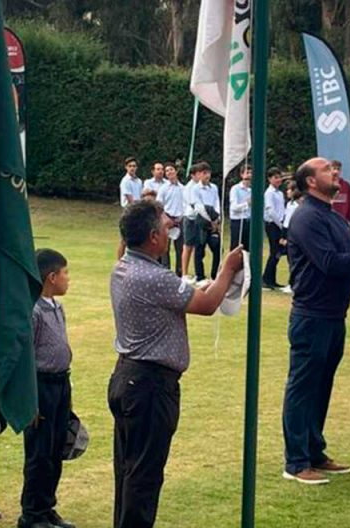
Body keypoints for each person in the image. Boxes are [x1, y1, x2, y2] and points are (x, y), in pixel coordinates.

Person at [108, 200, 243, 528]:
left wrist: (212, 283)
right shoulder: (153, 276)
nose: (171, 231)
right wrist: (227, 268)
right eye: (166, 226)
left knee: (129, 470)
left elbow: (188, 295)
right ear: (153, 237)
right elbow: (208, 304)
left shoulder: (125, 266)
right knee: (144, 476)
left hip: (128, 377)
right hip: (151, 386)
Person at [282, 157, 350, 485]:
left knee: (321, 387)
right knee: (303, 388)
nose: (335, 171)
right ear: (311, 182)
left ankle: (314, 450)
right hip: (312, 315)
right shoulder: (306, 218)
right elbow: (331, 263)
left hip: (334, 316)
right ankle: (296, 461)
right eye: (326, 170)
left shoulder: (335, 218)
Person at [19, 249, 75, 528]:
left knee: (56, 449)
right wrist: (30, 398)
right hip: (41, 385)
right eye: (65, 274)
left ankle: (47, 506)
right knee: (40, 453)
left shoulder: (56, 306)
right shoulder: (34, 310)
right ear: (51, 277)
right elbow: (26, 354)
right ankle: (32, 513)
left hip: (60, 382)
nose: (68, 280)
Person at [193, 163, 222, 282]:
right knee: (200, 249)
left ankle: (215, 275)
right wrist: (210, 220)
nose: (207, 175)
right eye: (204, 173)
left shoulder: (214, 187)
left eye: (208, 173)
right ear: (199, 174)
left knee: (217, 248)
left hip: (214, 219)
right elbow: (198, 206)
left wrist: (217, 218)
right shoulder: (195, 188)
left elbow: (217, 202)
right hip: (202, 220)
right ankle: (200, 276)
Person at [158, 163, 185, 275]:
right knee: (165, 248)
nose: (169, 172)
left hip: (180, 220)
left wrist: (180, 218)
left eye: (171, 170)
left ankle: (179, 271)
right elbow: (159, 205)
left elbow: (186, 204)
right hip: (166, 220)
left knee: (180, 249)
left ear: (176, 171)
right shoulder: (163, 188)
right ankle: (165, 271)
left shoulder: (183, 188)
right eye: (167, 171)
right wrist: (166, 218)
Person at [262, 167, 287, 289]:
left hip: (280, 223)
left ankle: (271, 279)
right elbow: (270, 211)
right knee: (275, 251)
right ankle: (266, 279)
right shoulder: (269, 193)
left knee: (278, 252)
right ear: (269, 179)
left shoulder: (280, 193)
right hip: (273, 224)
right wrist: (280, 224)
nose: (278, 180)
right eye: (275, 177)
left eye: (279, 177)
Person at [180, 163, 204, 282]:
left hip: (199, 218)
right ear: (193, 175)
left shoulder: (201, 186)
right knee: (188, 246)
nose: (201, 175)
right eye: (199, 173)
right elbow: (193, 203)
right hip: (190, 218)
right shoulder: (189, 187)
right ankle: (184, 273)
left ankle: (197, 273)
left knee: (198, 246)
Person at [228, 165, 252, 250]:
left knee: (248, 248)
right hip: (237, 221)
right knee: (236, 248)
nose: (249, 175)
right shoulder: (235, 189)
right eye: (247, 173)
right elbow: (234, 207)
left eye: (251, 173)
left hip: (248, 221)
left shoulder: (251, 190)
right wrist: (247, 204)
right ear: (241, 175)